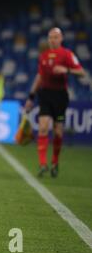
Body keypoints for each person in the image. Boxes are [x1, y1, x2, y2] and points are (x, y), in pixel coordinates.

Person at [25, 27, 85, 177]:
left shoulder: (67, 54)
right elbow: (39, 76)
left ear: (61, 38)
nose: (52, 40)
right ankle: (42, 164)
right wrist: (31, 96)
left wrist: (67, 70)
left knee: (58, 130)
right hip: (45, 95)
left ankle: (55, 161)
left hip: (60, 98)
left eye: (55, 37)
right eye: (50, 37)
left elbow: (81, 72)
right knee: (43, 127)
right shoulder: (43, 56)